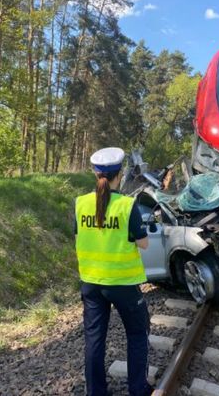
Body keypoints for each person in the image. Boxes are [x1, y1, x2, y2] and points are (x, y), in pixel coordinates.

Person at [74, 147, 152, 396]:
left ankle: (96, 392)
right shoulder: (127, 205)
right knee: (138, 333)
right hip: (123, 284)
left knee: (94, 339)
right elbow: (143, 243)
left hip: (91, 283)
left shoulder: (80, 203)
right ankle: (138, 389)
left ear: (95, 173)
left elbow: (80, 235)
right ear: (120, 175)